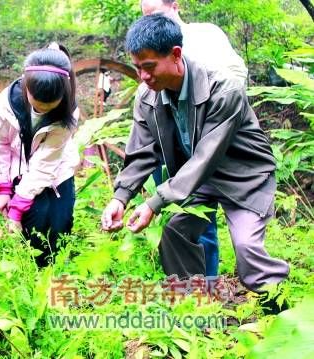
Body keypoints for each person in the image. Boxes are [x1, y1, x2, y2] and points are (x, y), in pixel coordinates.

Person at [101, 15, 289, 312]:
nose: (143, 77)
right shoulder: (147, 96)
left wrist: (153, 202)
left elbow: (206, 157)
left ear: (176, 55)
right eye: (138, 68)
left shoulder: (224, 89)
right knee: (175, 232)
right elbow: (142, 151)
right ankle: (196, 309)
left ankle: (283, 320)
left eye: (149, 67)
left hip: (243, 177)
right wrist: (120, 197)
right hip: (196, 180)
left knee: (248, 252)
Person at [140, 0, 248, 276]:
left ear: (175, 7)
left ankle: (211, 286)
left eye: (156, 14)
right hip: (175, 148)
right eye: (145, 16)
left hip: (213, 143)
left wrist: (210, 111)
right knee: (190, 219)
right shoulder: (150, 46)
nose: (152, 21)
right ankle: (198, 294)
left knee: (212, 221)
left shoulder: (206, 35)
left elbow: (236, 77)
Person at [0, 43, 79, 267]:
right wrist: (2, 188)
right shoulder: (7, 103)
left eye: (50, 106)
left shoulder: (69, 111)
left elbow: (44, 164)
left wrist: (16, 208)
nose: (43, 110)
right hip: (16, 169)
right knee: (33, 223)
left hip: (56, 172)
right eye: (38, 104)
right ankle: (28, 273)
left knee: (59, 224)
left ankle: (53, 274)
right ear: (27, 86)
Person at [141, 0, 247, 83]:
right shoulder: (152, 48)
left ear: (174, 7)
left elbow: (237, 71)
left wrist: (223, 100)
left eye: (157, 16)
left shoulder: (206, 32)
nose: (152, 23)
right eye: (147, 19)